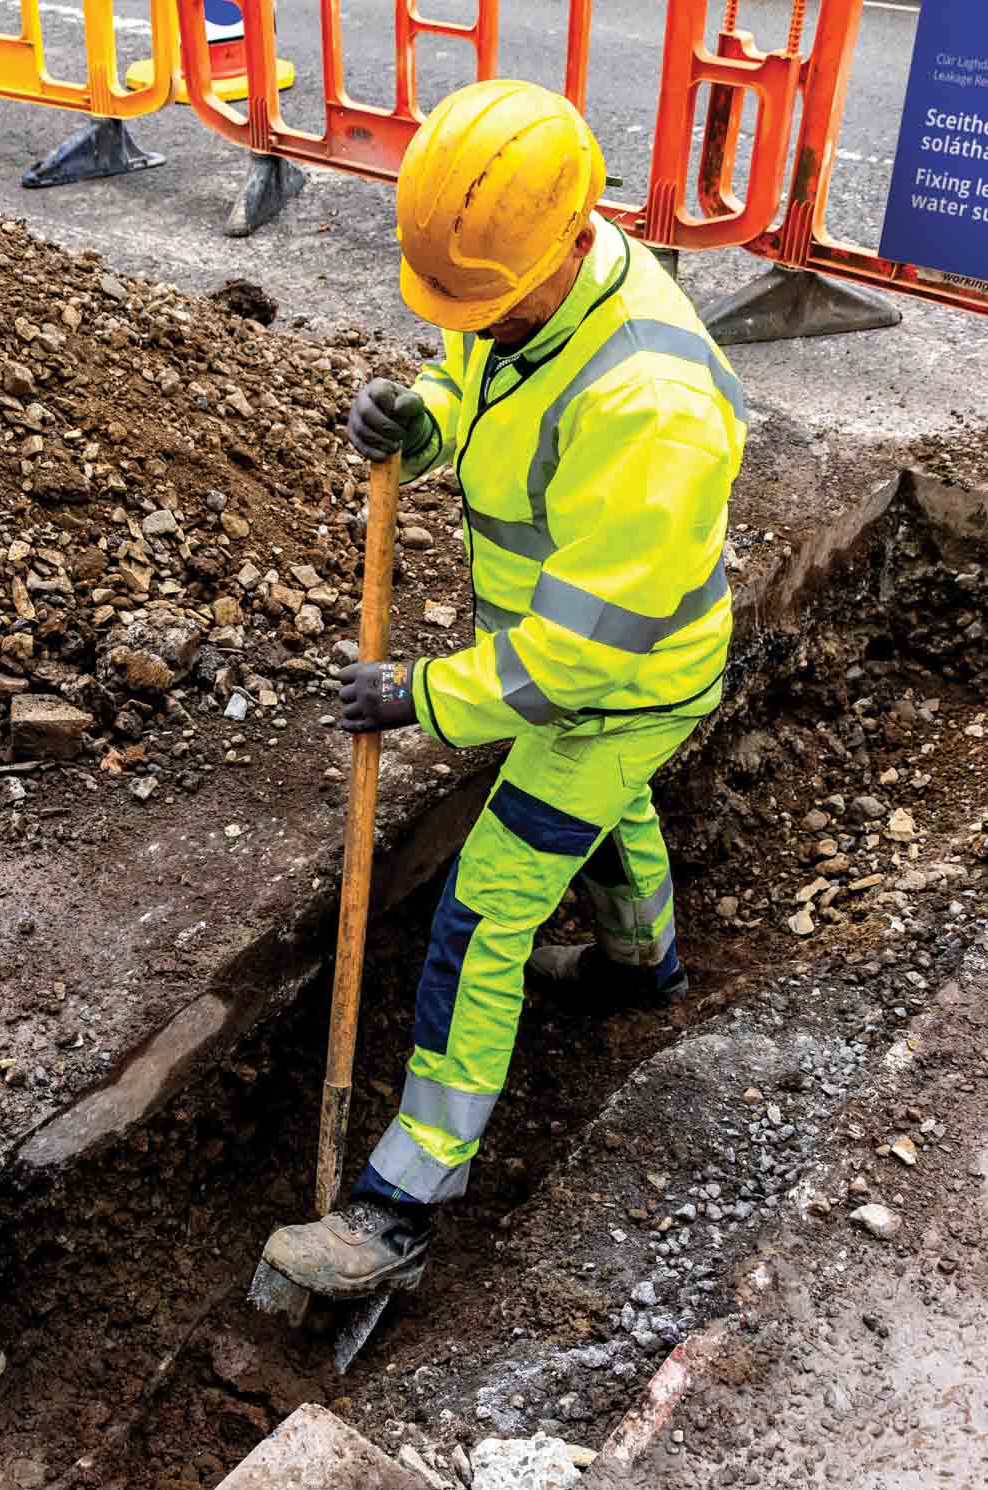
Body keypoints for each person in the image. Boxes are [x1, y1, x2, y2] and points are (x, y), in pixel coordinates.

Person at [261, 78, 746, 1298]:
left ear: (577, 239)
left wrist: (420, 698)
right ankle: (644, 967)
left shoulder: (652, 407)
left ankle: (405, 1197)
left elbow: (582, 657)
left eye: (480, 304)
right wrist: (415, 420)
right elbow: (482, 399)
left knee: (480, 917)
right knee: (602, 811)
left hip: (623, 686)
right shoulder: (515, 273)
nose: (465, 322)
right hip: (570, 671)